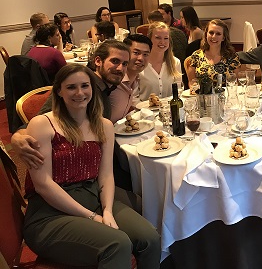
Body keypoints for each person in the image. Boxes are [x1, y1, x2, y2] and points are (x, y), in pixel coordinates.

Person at [23, 63, 161, 267]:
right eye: (71, 87)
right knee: (117, 243)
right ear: (59, 91)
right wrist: (93, 217)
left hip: (92, 197)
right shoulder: (42, 124)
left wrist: (106, 210)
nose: (79, 93)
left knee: (149, 238)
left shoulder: (103, 125)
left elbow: (105, 176)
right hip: (50, 212)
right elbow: (43, 185)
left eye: (85, 86)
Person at [11, 40, 134, 192]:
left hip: (94, 164)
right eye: (115, 61)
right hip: (72, 174)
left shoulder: (105, 88)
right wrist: (17, 136)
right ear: (98, 61)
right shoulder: (80, 90)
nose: (120, 68)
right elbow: (42, 118)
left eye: (125, 64)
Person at [185, 19, 241, 87]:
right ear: (206, 34)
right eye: (211, 33)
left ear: (223, 38)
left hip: (225, 96)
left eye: (218, 34)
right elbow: (192, 83)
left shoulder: (232, 57)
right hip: (203, 96)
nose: (214, 36)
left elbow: (237, 83)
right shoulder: (196, 56)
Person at [110, 34, 152, 123]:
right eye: (136, 53)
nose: (141, 58)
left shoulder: (136, 80)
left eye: (145, 54)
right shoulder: (113, 81)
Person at [138, 21, 182, 100]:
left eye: (166, 38)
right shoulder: (139, 63)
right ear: (149, 39)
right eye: (158, 38)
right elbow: (134, 97)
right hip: (144, 111)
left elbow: (178, 91)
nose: (162, 42)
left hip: (169, 109)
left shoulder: (175, 63)